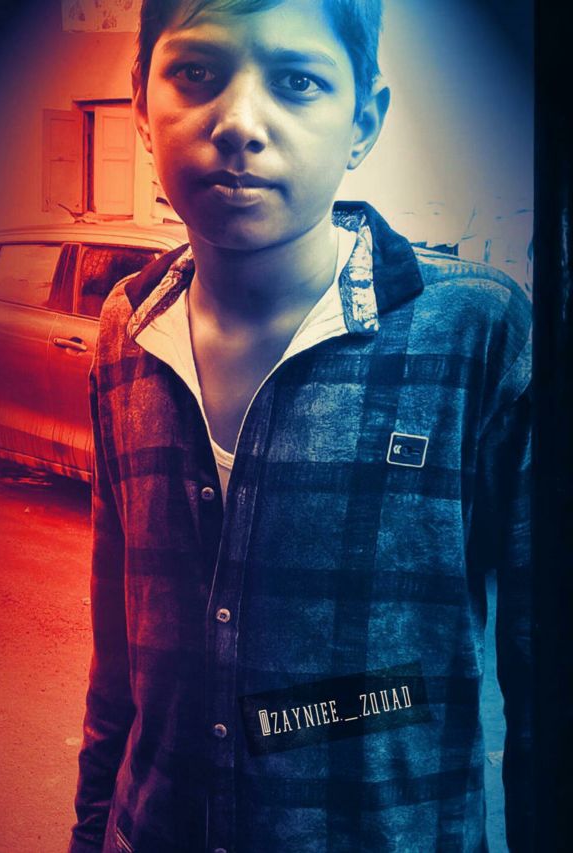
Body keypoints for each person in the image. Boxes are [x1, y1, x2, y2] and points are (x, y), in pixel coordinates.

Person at [68, 1, 533, 851]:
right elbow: (118, 663)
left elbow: (548, 683)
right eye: (196, 72)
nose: (240, 123)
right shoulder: (127, 330)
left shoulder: (475, 334)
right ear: (139, 103)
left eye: (297, 81)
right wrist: (92, 829)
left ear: (364, 119)